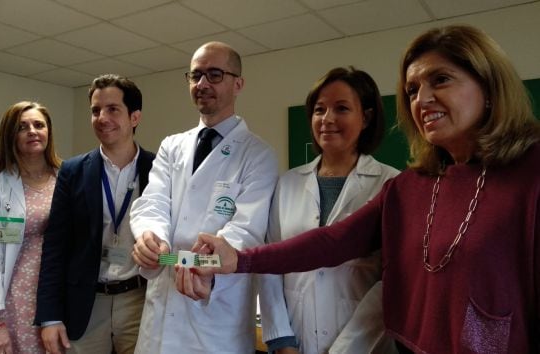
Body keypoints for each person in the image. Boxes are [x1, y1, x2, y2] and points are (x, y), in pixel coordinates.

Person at [183, 25, 540, 354]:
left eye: (441, 80)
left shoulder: (529, 173)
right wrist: (239, 259)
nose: (422, 99)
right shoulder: (410, 187)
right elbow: (332, 242)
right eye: (412, 90)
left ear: (490, 87)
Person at [130, 41, 278, 354]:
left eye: (214, 74)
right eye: (196, 76)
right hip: (161, 312)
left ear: (238, 84)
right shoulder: (172, 146)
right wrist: (151, 237)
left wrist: (209, 267)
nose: (202, 84)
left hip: (216, 314)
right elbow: (154, 200)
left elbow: (247, 229)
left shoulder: (258, 154)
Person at [259, 67, 400, 354]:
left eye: (342, 108)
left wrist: (346, 349)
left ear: (367, 117)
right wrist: (282, 340)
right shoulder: (287, 185)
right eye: (319, 109)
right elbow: (270, 265)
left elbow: (393, 283)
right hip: (296, 343)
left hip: (365, 345)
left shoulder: (392, 184)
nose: (327, 119)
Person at [34, 74, 155, 354]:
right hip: (86, 301)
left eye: (113, 109)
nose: (102, 117)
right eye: (95, 110)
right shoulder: (73, 171)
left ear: (134, 117)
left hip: (140, 298)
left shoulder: (159, 168)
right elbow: (55, 246)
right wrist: (50, 316)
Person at [0, 101, 61, 354]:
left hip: (55, 298)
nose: (32, 131)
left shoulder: (64, 178)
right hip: (13, 299)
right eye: (22, 127)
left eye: (38, 125)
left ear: (48, 132)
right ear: (10, 134)